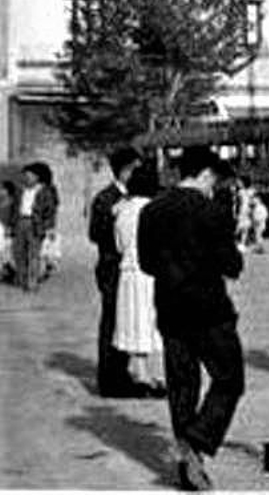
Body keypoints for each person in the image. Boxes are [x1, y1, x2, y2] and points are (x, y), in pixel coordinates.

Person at [138, 146, 244, 492]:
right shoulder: (213, 212)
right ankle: (198, 439)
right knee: (229, 378)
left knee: (182, 385)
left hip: (169, 307)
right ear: (205, 175)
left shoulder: (152, 210)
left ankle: (187, 455)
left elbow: (146, 264)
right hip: (209, 309)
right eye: (213, 177)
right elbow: (232, 266)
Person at [90, 146, 143, 396]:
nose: (137, 173)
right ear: (123, 170)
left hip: (125, 268)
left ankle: (121, 374)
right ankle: (110, 380)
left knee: (124, 322)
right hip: (112, 267)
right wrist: (115, 221)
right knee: (112, 322)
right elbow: (95, 234)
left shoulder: (133, 197)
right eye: (134, 168)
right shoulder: (106, 198)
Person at [113, 164, 165, 397]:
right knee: (148, 319)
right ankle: (144, 374)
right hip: (149, 271)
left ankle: (140, 369)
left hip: (127, 271)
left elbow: (119, 244)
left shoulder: (122, 210)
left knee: (132, 319)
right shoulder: (153, 210)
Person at [10, 163, 58, 292]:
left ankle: (32, 283)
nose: (27, 178)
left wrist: (50, 228)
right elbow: (14, 208)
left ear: (37, 177)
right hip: (20, 222)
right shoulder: (20, 191)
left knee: (34, 254)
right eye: (26, 175)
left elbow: (50, 211)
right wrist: (12, 225)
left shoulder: (44, 191)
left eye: (30, 175)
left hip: (35, 224)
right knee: (18, 252)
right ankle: (22, 279)